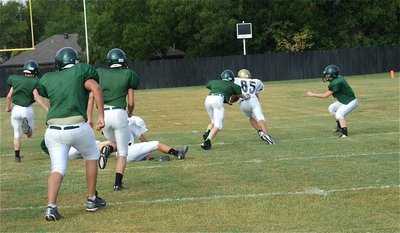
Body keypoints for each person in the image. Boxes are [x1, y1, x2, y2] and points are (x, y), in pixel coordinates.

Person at [38, 47, 106, 221]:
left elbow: (44, 93)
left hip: (52, 130)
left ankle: (51, 207)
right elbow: (96, 89)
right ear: (75, 61)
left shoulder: (49, 78)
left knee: (58, 169)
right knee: (91, 155)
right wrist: (101, 116)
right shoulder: (81, 72)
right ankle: (92, 199)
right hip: (76, 126)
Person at [93, 48, 138, 191]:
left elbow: (95, 94)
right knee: (123, 150)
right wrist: (129, 113)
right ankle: (117, 184)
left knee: (115, 142)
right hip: (119, 113)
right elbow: (131, 103)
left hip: (104, 113)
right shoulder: (128, 74)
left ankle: (107, 149)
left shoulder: (100, 73)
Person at [54, 115, 188, 163]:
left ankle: (153, 159)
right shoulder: (133, 121)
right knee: (155, 143)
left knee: (105, 144)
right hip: (128, 150)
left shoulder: (111, 120)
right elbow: (144, 140)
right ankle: (178, 153)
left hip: (120, 155)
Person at [6, 60, 49, 163]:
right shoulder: (34, 81)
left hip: (15, 109)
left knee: (16, 134)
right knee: (29, 135)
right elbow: (37, 98)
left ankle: (17, 157)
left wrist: (8, 108)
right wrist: (47, 109)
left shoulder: (15, 79)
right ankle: (27, 127)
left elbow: (8, 96)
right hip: (26, 109)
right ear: (35, 71)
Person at [201, 69, 249, 150]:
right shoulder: (234, 85)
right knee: (218, 126)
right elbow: (240, 95)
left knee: (213, 121)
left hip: (208, 99)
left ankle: (208, 131)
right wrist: (246, 97)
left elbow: (214, 87)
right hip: (218, 100)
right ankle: (207, 142)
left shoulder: (213, 82)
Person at [307, 64, 358, 138]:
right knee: (332, 108)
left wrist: (312, 94)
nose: (326, 76)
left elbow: (325, 96)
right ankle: (339, 127)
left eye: (327, 74)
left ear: (333, 75)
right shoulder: (338, 78)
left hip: (350, 102)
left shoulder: (336, 82)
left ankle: (344, 134)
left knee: (339, 114)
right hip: (344, 100)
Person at [233, 69, 275, 144]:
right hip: (253, 99)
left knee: (250, 117)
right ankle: (265, 134)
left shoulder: (236, 80)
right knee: (260, 117)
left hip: (243, 102)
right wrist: (256, 103)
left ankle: (259, 131)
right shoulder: (257, 81)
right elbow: (256, 94)